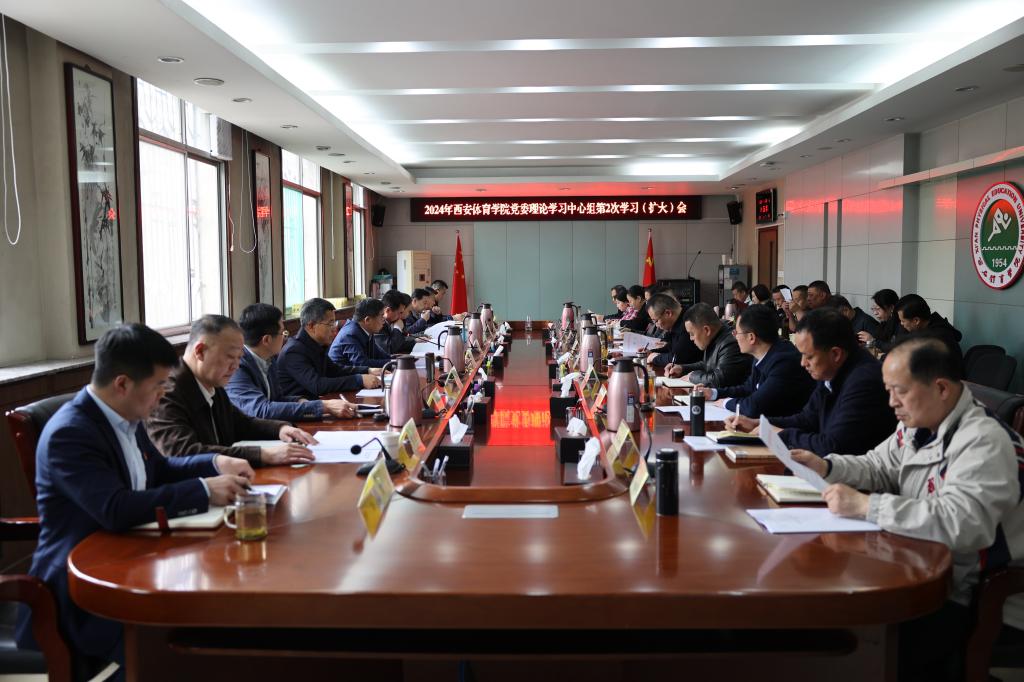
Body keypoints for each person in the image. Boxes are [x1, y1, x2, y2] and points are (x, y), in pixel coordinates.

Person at [15, 324, 254, 674]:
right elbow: (115, 508)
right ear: (122, 384)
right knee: (180, 648)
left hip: (133, 554)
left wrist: (215, 463)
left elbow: (159, 469)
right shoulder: (71, 433)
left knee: (217, 614)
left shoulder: (126, 414)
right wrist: (203, 490)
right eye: (159, 385)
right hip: (83, 587)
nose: (163, 395)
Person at [791, 337, 1024, 681]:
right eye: (888, 391)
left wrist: (868, 505)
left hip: (970, 593)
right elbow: (878, 465)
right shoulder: (918, 423)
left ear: (941, 388)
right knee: (822, 617)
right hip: (921, 564)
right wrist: (826, 466)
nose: (891, 403)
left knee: (850, 646)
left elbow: (964, 524)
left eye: (899, 391)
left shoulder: (983, 442)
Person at [147, 315, 317, 468]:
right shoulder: (166, 392)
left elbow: (240, 423)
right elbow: (183, 452)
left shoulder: (212, 383)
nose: (236, 366)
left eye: (239, 357)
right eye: (230, 357)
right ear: (200, 351)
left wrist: (280, 429)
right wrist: (263, 455)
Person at [725, 307, 895, 457]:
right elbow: (807, 419)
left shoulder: (863, 382)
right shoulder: (831, 369)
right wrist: (760, 424)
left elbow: (833, 446)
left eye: (809, 356)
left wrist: (782, 434)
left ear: (835, 354)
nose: (802, 363)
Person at [227, 303, 358, 420]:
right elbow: (261, 410)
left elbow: (278, 398)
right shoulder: (238, 367)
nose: (285, 338)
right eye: (282, 333)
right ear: (266, 340)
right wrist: (323, 406)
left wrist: (302, 402)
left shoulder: (269, 359)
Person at [691, 305, 815, 418]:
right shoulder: (761, 354)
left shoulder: (784, 361)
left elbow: (753, 407)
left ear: (751, 337)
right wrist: (713, 393)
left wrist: (725, 403)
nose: (734, 336)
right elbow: (748, 388)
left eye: (736, 332)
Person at [276, 298, 381, 400]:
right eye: (330, 324)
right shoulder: (293, 351)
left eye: (334, 323)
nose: (334, 329)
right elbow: (317, 385)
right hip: (300, 407)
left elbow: (335, 370)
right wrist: (359, 380)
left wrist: (367, 370)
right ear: (311, 326)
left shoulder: (317, 344)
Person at [666, 302, 751, 387]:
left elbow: (720, 380)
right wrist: (682, 368)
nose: (691, 338)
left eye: (692, 334)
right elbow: (707, 364)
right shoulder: (715, 334)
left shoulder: (731, 344)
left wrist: (692, 377)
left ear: (706, 330)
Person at [896, 295, 963, 367]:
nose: (901, 324)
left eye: (903, 321)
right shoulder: (926, 327)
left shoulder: (936, 338)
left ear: (916, 320)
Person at [329, 297, 393, 368]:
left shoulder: (367, 330)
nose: (384, 320)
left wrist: (397, 360)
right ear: (367, 320)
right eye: (381, 316)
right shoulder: (350, 334)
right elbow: (361, 363)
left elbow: (380, 355)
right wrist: (393, 363)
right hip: (341, 374)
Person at [644, 293, 701, 370]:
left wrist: (654, 358)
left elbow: (677, 358)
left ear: (668, 313)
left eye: (656, 321)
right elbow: (672, 347)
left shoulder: (688, 322)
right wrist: (651, 352)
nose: (656, 325)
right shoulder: (678, 320)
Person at [858, 288, 903, 352]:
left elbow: (895, 348)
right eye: (873, 309)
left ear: (891, 308)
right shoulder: (884, 323)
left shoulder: (901, 324)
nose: (875, 313)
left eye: (878, 309)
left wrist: (872, 341)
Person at [376, 289, 415, 355]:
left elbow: (400, 344)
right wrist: (397, 328)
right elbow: (389, 349)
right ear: (388, 310)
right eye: (400, 313)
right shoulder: (377, 323)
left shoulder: (390, 321)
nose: (401, 316)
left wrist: (414, 342)